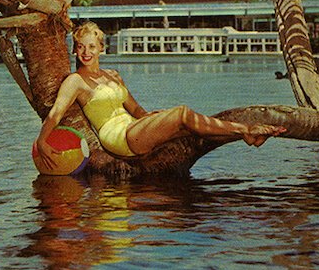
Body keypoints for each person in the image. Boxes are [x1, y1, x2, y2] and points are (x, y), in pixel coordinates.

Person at [35, 22, 286, 170]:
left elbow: (135, 109)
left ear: (102, 48)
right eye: (80, 47)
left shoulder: (113, 75)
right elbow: (55, 113)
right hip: (118, 138)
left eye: (91, 46)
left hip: (134, 127)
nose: (85, 52)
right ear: (75, 49)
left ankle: (248, 136)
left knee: (190, 127)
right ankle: (247, 130)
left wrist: (152, 118)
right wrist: (43, 142)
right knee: (182, 114)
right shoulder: (75, 81)